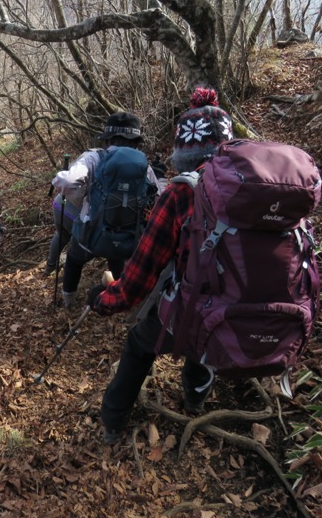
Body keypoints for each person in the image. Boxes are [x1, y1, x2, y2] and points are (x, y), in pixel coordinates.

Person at [85, 87, 235, 444]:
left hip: (194, 309)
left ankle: (112, 422)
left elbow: (136, 283)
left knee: (140, 344)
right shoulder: (261, 189)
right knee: (205, 340)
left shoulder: (182, 193)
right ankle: (195, 399)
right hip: (247, 310)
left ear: (184, 149)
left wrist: (102, 300)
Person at [52, 112, 166, 309]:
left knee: (74, 260)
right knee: (117, 261)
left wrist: (65, 184)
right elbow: (159, 199)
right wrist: (161, 176)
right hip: (126, 236)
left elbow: (68, 182)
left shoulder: (95, 157)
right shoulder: (143, 165)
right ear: (136, 140)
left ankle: (68, 301)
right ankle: (119, 301)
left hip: (90, 233)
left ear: (108, 138)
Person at [44, 191, 81, 277]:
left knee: (61, 235)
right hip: (73, 214)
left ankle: (50, 266)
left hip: (60, 203)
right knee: (79, 243)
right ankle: (69, 276)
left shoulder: (77, 177)